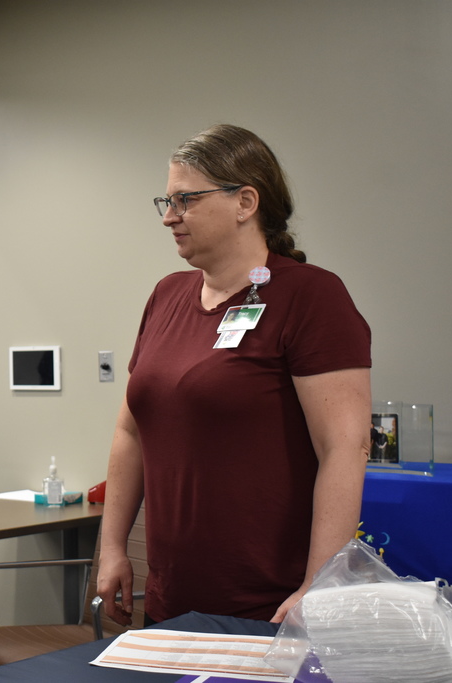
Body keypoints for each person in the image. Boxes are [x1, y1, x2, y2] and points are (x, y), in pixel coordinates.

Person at [95, 124, 371, 628]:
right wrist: (112, 547)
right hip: (171, 592)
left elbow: (345, 448)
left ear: (245, 202)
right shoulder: (166, 296)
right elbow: (130, 431)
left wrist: (319, 585)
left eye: (185, 200)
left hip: (271, 602)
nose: (170, 217)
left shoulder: (312, 297)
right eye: (166, 201)